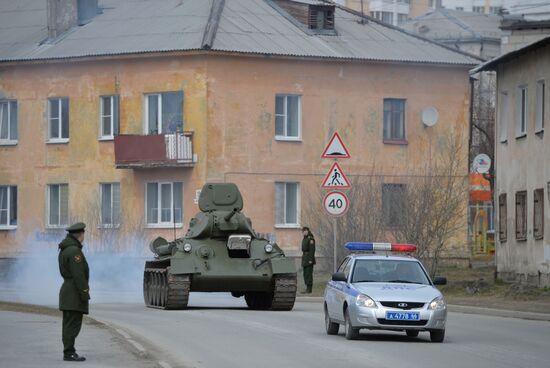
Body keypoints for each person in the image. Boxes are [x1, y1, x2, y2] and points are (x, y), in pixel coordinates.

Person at [58, 222, 90, 362]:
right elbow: (79, 275)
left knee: (68, 323)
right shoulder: (74, 251)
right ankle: (69, 352)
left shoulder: (66, 249)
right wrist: (84, 292)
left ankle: (68, 351)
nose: (84, 236)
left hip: (68, 291)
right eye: (83, 234)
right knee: (72, 324)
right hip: (73, 293)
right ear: (80, 235)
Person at [300, 226, 316, 294]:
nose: (304, 232)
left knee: (309, 274)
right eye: (303, 231)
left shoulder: (310, 239)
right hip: (305, 258)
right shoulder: (304, 238)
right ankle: (306, 288)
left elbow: (312, 250)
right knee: (305, 274)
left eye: (306, 231)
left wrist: (310, 260)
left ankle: (309, 289)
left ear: (308, 231)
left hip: (309, 259)